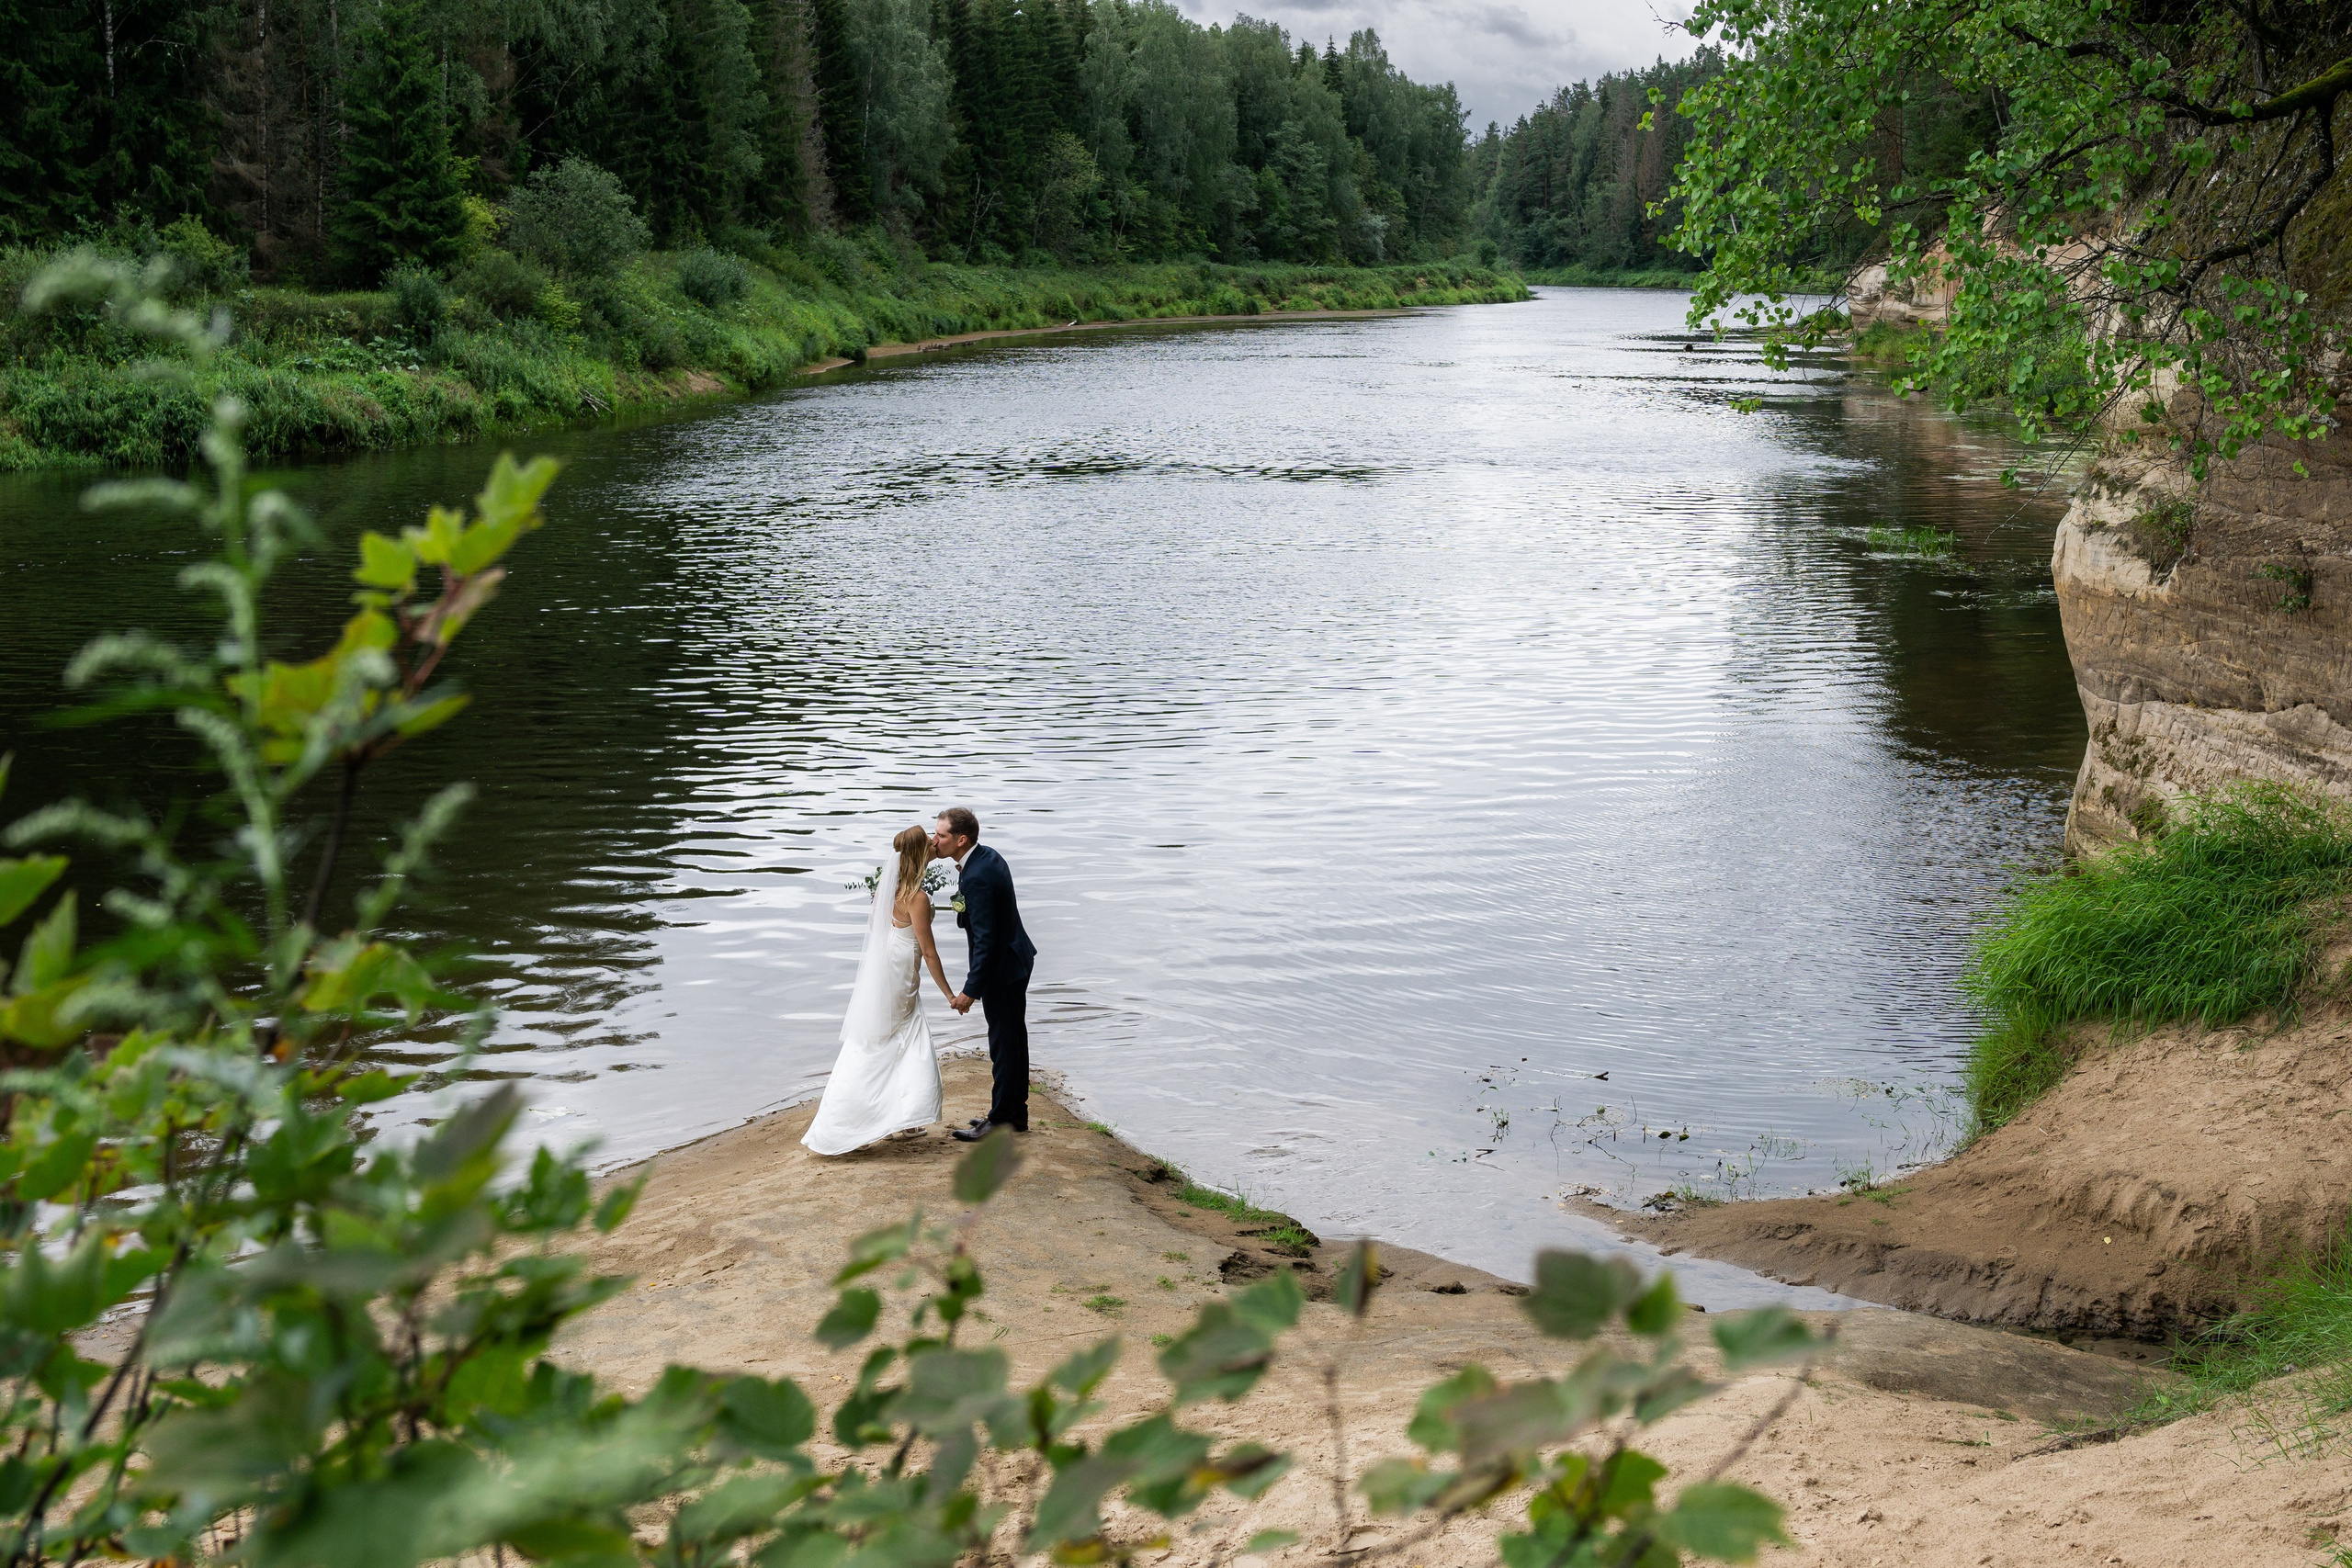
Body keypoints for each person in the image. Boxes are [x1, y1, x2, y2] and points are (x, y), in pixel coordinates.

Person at [802, 826, 955, 1156]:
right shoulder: (917, 898)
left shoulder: (892, 889)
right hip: (902, 971)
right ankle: (865, 1122)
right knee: (898, 1035)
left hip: (887, 964)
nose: (934, 842)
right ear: (920, 854)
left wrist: (899, 937)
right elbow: (930, 953)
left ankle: (904, 1120)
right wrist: (950, 995)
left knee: (882, 1035)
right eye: (929, 841)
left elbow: (876, 926)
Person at [932, 807, 1038, 1139]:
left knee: (1004, 1045)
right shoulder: (986, 856)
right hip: (1015, 959)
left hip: (1003, 968)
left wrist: (970, 990)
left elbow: (986, 940)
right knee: (1014, 1040)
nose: (934, 840)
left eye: (941, 835)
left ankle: (1000, 1119)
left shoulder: (977, 875)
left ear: (961, 840)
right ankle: (1015, 1115)